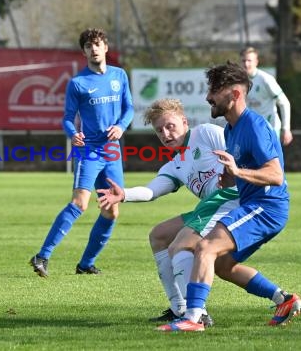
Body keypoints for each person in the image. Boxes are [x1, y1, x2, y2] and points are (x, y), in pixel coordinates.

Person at [157, 61, 301, 332]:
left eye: (214, 90)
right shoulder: (230, 129)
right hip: (254, 204)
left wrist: (238, 170)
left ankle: (193, 317)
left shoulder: (254, 126)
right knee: (223, 264)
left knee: (204, 248)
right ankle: (284, 299)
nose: (207, 97)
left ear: (235, 94)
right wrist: (230, 177)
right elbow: (244, 172)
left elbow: (275, 175)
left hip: (266, 206)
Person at [97, 98, 238, 328]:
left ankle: (197, 313)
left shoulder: (207, 133)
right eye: (159, 130)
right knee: (159, 235)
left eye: (170, 126)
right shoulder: (175, 164)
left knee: (180, 245)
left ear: (184, 121)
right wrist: (124, 194)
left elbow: (239, 156)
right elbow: (152, 191)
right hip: (211, 208)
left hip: (234, 203)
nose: (165, 133)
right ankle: (179, 308)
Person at [29, 27, 134, 277]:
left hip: (112, 152)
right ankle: (42, 256)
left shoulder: (120, 75)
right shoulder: (78, 83)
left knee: (112, 210)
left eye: (97, 44)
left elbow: (129, 108)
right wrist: (72, 133)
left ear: (105, 47)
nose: (94, 49)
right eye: (88, 46)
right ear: (84, 51)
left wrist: (120, 126)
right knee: (80, 203)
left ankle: (86, 263)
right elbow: (67, 118)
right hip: (90, 151)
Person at [240, 47, 293, 146]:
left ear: (256, 62)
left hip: (269, 129)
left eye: (249, 60)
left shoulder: (266, 79)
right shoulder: (240, 82)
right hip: (251, 129)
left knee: (270, 161)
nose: (246, 64)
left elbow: (284, 103)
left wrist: (286, 129)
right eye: (243, 60)